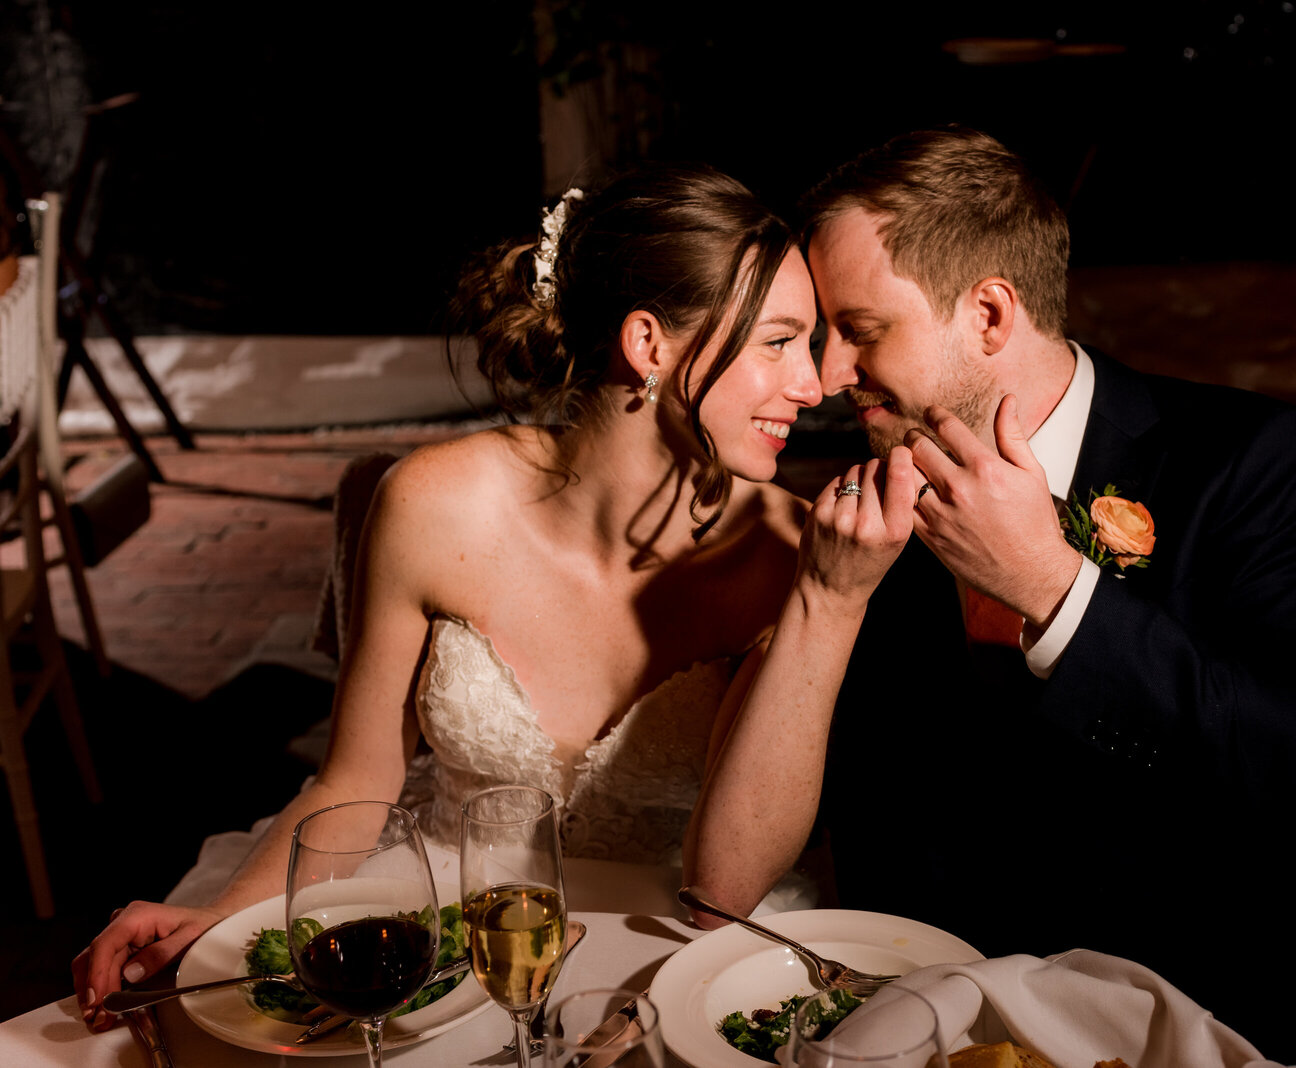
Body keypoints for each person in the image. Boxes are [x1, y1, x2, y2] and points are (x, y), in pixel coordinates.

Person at [72, 163, 917, 1030]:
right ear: (648, 345)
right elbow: (354, 778)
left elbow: (719, 891)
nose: (814, 385)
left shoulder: (798, 555)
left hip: (680, 960)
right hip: (452, 927)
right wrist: (224, 923)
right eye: (779, 342)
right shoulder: (430, 505)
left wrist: (831, 601)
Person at [693, 128, 1296, 1067]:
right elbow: (813, 849)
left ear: (987, 315)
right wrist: (826, 601)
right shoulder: (870, 511)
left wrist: (1055, 591)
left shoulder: (1257, 461)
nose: (827, 378)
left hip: (1239, 1008)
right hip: (962, 1018)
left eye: (858, 331)